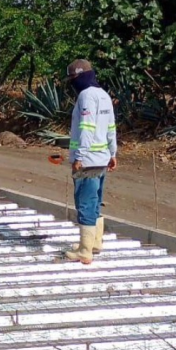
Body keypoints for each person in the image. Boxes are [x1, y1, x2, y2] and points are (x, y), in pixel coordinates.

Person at [64, 59, 116, 264]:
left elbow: (87, 127)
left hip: (88, 161)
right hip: (102, 158)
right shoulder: (104, 95)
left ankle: (85, 251)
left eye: (72, 79)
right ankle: (95, 242)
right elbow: (111, 127)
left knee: (85, 202)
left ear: (78, 77)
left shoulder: (86, 96)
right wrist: (113, 152)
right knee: (95, 201)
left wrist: (80, 156)